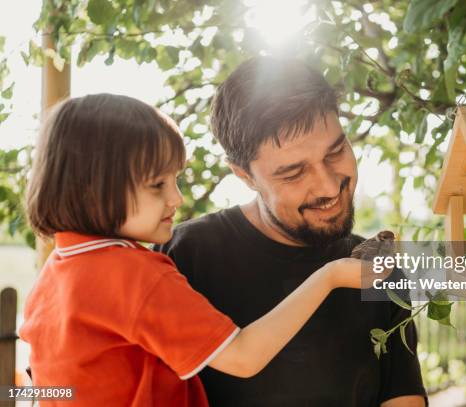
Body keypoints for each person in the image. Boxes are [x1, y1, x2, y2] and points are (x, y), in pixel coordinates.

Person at [19, 93, 369, 406]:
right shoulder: (154, 265)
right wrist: (331, 276)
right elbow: (244, 357)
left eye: (336, 151)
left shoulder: (55, 274)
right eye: (157, 184)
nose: (177, 198)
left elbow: (40, 387)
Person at [157, 56, 428, 406]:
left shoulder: (382, 272)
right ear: (245, 176)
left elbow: (403, 399)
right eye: (293, 173)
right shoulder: (188, 256)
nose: (329, 186)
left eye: (336, 151)